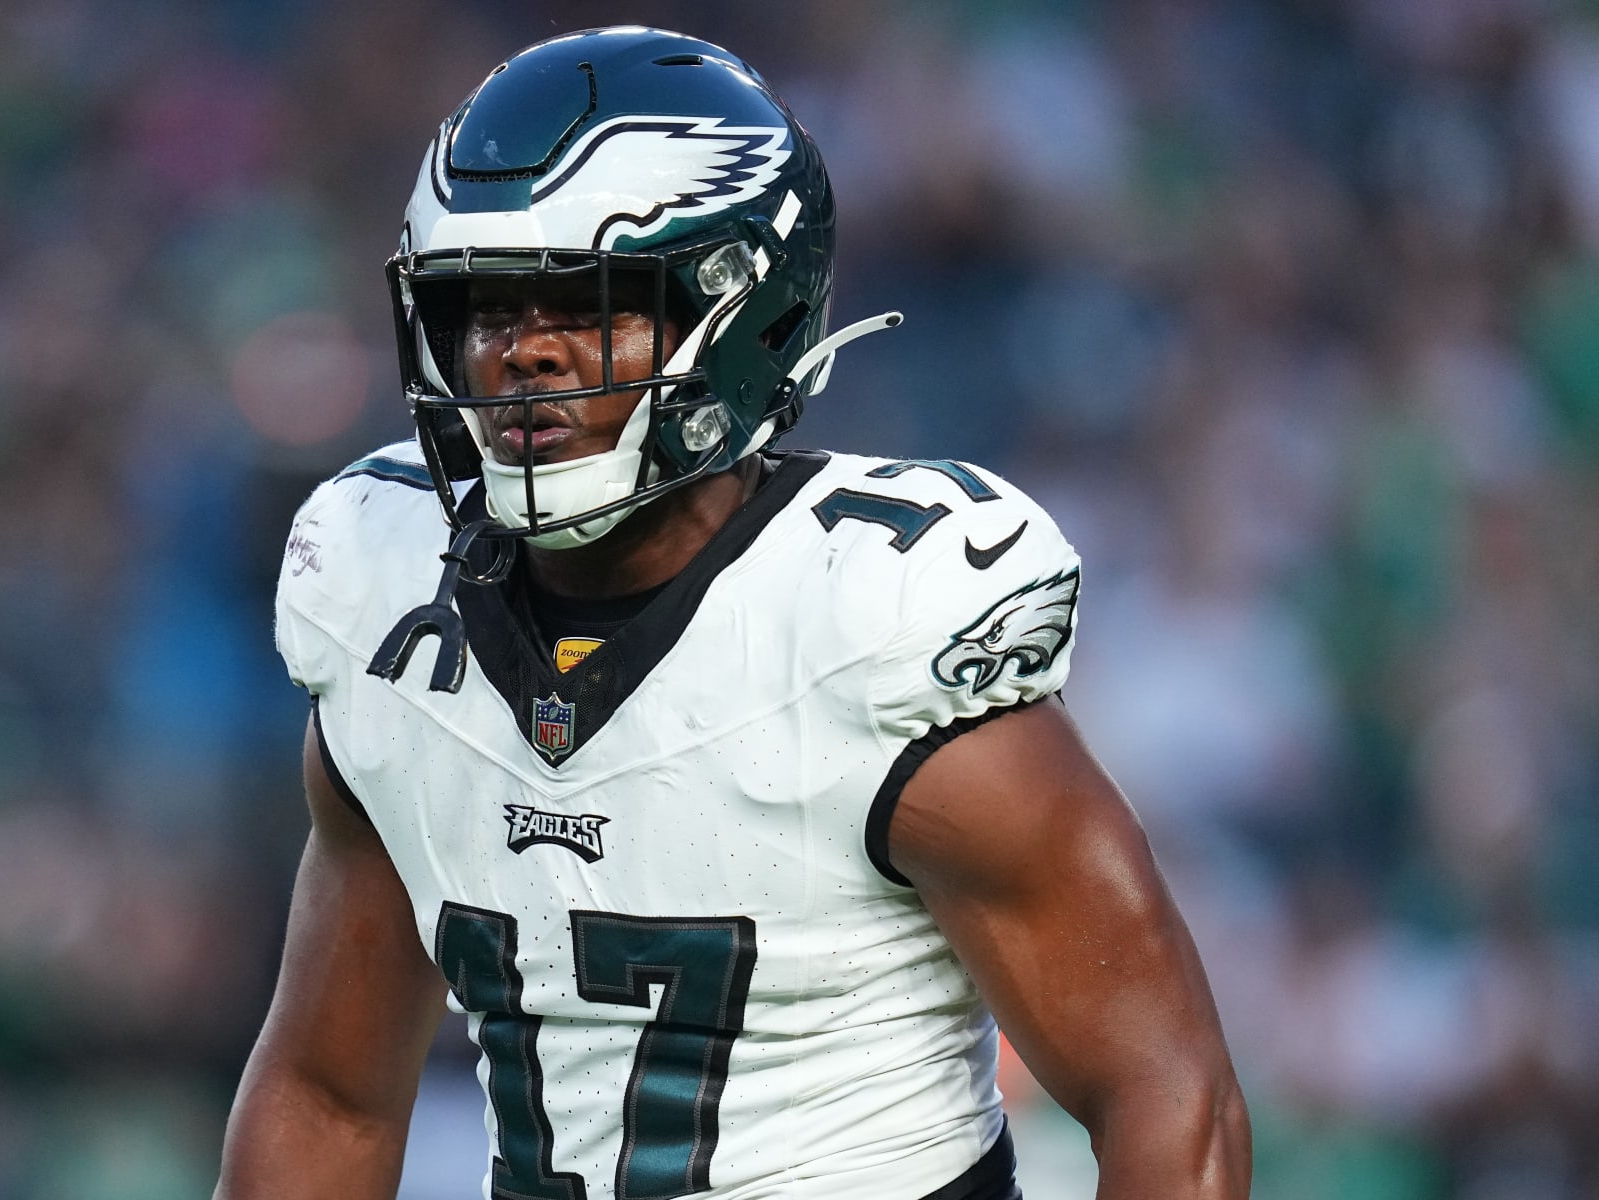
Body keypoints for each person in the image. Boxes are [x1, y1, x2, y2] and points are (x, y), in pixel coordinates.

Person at [215, 25, 1251, 1200]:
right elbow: (330, 1096)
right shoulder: (388, 602)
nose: (523, 356)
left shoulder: (870, 619)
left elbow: (1168, 1095)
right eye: (487, 309)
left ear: (742, 313)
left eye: (588, 306)